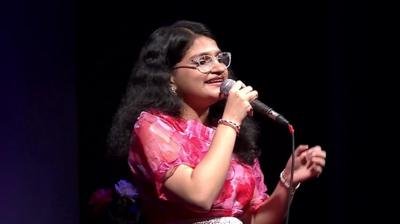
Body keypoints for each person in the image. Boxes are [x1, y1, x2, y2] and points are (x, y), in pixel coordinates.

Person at [107, 20, 326, 224]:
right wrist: (230, 120)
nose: (220, 68)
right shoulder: (153, 127)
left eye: (220, 58)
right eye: (203, 61)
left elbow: (254, 219)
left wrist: (287, 181)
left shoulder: (230, 134)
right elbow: (200, 195)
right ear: (169, 76)